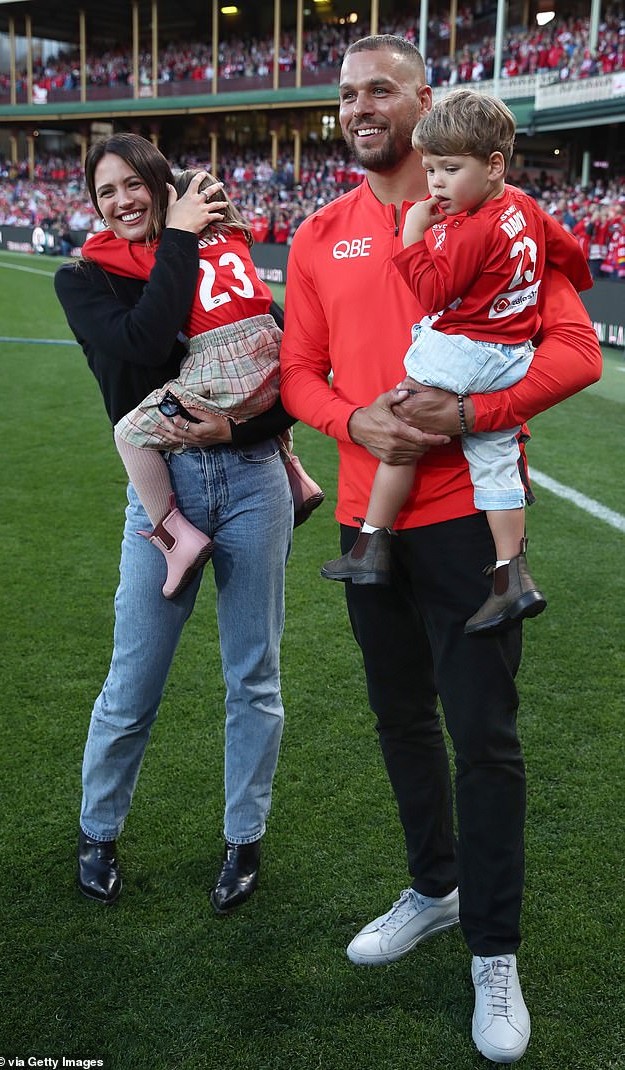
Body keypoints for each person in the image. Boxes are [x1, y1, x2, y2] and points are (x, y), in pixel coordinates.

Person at [280, 36, 601, 1065]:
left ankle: (493, 950)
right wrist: (348, 421)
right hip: (367, 522)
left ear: (426, 104)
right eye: (346, 93)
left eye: (380, 89)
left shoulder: (504, 222)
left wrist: (475, 407)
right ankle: (434, 886)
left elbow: (577, 348)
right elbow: (297, 369)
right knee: (399, 719)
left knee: (485, 736)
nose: (359, 106)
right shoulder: (320, 231)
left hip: (468, 522)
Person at [55, 132, 295, 916]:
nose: (121, 201)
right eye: (105, 192)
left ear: (162, 183)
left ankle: (243, 841)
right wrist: (183, 238)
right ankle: (98, 832)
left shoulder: (215, 262)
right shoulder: (85, 279)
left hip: (252, 479)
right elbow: (146, 343)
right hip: (164, 496)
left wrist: (239, 434)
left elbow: (282, 376)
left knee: (253, 676)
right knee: (133, 680)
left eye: (134, 184)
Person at [320, 89, 592, 635]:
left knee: (401, 426)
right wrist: (569, 279)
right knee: (496, 461)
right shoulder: (522, 204)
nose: (436, 182)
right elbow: (567, 249)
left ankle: (372, 542)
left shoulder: (471, 227)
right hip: (510, 353)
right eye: (430, 168)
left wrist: (412, 237)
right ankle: (510, 575)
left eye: (448, 168)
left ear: (493, 165)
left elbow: (432, 292)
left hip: (462, 349)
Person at [82, 168, 323, 599]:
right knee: (266, 391)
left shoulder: (167, 247)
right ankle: (294, 473)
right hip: (269, 337)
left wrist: (174, 226)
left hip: (221, 354)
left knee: (129, 434)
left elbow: (98, 247)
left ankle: (174, 538)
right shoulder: (236, 235)